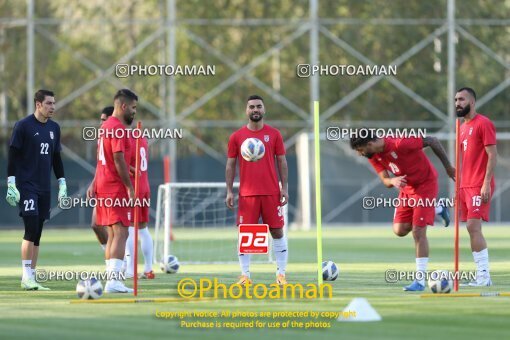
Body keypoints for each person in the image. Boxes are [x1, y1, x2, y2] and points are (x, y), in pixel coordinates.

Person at [350, 129, 454, 291]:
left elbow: (432, 140)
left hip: (425, 185)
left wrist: (448, 168)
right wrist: (393, 180)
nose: (360, 154)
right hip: (407, 189)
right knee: (400, 230)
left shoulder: (401, 143)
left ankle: (419, 281)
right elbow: (385, 180)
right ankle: (437, 208)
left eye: (361, 150)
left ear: (369, 144)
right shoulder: (373, 155)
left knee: (418, 232)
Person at [6, 89, 67, 290]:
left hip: (44, 187)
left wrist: (62, 183)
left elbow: (56, 158)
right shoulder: (23, 126)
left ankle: (31, 277)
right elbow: (13, 154)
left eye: (54, 103)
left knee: (38, 232)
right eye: (49, 103)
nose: (53, 107)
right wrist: (11, 183)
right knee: (30, 228)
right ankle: (25, 277)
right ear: (38, 104)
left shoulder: (54, 128)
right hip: (27, 185)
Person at [225, 95, 289, 286]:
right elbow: (230, 165)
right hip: (247, 194)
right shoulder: (236, 137)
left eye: (259, 106)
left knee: (277, 232)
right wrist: (229, 190)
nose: (255, 109)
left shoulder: (274, 134)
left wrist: (284, 188)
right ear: (246, 111)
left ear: (264, 109)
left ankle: (281, 275)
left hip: (271, 192)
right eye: (252, 106)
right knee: (246, 235)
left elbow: (282, 161)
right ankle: (245, 276)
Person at [88, 89, 137, 293]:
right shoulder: (117, 128)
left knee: (111, 232)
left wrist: (95, 183)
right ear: (123, 106)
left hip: (103, 185)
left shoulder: (105, 127)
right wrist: (129, 187)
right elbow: (117, 159)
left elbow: (106, 160)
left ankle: (111, 278)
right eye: (133, 108)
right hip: (114, 188)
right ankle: (114, 282)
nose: (135, 112)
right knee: (121, 233)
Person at [455, 87, 497, 286]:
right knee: (470, 229)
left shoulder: (484, 123)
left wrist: (486, 183)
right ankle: (482, 276)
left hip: (479, 184)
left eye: (461, 99)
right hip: (465, 186)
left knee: (473, 226)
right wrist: (459, 188)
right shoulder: (460, 128)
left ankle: (484, 276)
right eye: (455, 100)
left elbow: (492, 155)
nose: (457, 103)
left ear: (472, 102)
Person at [124, 132, 155, 279]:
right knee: (142, 228)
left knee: (129, 227)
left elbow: (122, 162)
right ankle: (149, 268)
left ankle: (130, 269)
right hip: (144, 185)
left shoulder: (125, 137)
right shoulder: (141, 136)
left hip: (133, 185)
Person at [89, 106, 114, 252]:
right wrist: (93, 183)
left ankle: (122, 264)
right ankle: (111, 260)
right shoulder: (101, 137)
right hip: (102, 185)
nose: (101, 123)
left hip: (115, 187)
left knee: (116, 230)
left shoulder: (119, 135)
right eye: (101, 120)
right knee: (95, 225)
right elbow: (101, 164)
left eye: (104, 120)